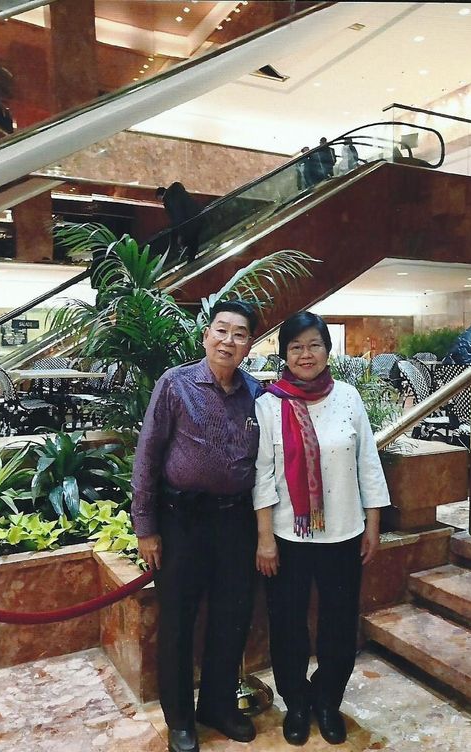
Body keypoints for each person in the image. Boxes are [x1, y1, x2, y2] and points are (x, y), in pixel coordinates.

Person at [252, 312, 390, 747]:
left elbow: (367, 461)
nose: (305, 354)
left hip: (344, 533)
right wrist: (265, 538)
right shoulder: (269, 404)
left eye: (314, 344)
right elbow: (262, 474)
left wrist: (373, 522)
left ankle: (328, 701)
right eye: (296, 347)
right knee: (287, 624)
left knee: (339, 623)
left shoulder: (348, 397)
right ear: (284, 354)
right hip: (287, 537)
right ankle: (296, 703)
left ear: (328, 350)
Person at [131, 300, 262, 752]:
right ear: (206, 336)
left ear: (249, 345)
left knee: (231, 616)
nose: (228, 341)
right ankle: (180, 720)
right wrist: (146, 527)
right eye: (221, 330)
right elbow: (147, 456)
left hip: (236, 521)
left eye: (239, 334)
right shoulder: (175, 384)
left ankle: (218, 707)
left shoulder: (256, 393)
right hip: (181, 521)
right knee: (178, 621)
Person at [156, 182, 203, 263]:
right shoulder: (177, 193)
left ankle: (190, 258)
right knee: (194, 240)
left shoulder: (168, 200)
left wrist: (180, 233)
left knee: (189, 240)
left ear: (160, 196)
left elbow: (178, 216)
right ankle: (191, 257)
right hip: (196, 217)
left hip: (187, 223)